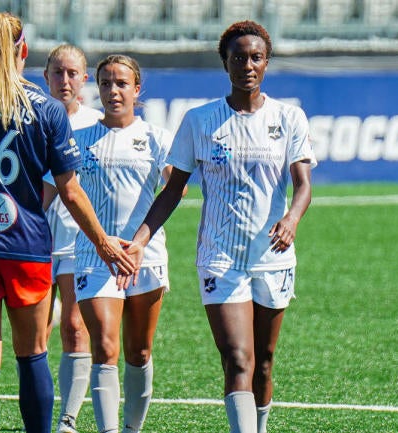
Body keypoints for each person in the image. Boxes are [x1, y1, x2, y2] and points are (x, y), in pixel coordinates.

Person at [0, 12, 135, 433]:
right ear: (23, 50)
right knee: (33, 354)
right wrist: (105, 245)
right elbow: (70, 191)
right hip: (27, 246)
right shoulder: (49, 109)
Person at [124, 21, 316, 433]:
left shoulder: (289, 118)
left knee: (263, 363)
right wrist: (140, 240)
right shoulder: (200, 120)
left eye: (255, 57)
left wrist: (292, 219)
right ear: (224, 63)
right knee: (237, 358)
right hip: (220, 258)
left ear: (266, 63)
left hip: (272, 256)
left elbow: (303, 186)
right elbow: (173, 191)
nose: (247, 65)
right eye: (238, 57)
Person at [72, 54, 178, 433]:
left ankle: (132, 429)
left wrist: (139, 241)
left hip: (144, 257)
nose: (113, 91)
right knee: (104, 347)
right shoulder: (79, 139)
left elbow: (176, 186)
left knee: (140, 352)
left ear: (137, 89)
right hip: (93, 254)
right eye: (105, 83)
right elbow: (53, 194)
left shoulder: (156, 137)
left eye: (121, 84)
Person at [41, 43, 102, 433]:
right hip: (33, 240)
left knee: (75, 328)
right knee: (34, 333)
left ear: (84, 78)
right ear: (45, 77)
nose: (65, 80)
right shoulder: (32, 118)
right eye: (57, 73)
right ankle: (37, 410)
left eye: (72, 73)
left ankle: (68, 418)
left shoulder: (98, 123)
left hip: (78, 244)